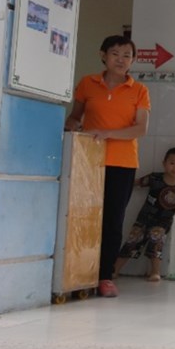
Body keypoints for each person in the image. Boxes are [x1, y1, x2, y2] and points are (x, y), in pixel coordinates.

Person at [64, 35, 150, 298]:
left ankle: (104, 276)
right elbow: (75, 116)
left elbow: (140, 129)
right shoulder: (87, 83)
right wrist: (72, 126)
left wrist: (106, 133)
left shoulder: (139, 90)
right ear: (103, 55)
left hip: (122, 164)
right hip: (88, 161)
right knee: (82, 217)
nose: (121, 60)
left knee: (112, 220)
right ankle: (79, 274)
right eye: (115, 54)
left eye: (127, 55)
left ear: (133, 60)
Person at [113, 147, 175, 282]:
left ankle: (155, 272)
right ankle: (115, 270)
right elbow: (136, 182)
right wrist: (120, 184)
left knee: (156, 244)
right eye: (172, 163)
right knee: (132, 241)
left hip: (163, 222)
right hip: (144, 218)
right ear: (164, 163)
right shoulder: (154, 178)